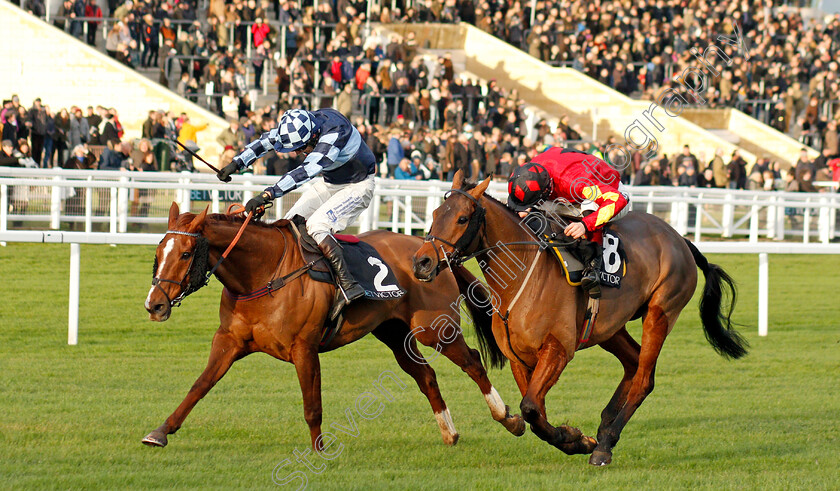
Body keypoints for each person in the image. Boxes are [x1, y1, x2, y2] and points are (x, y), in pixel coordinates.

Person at [216, 108, 377, 318]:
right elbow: (265, 141)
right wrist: (236, 163)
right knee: (288, 225)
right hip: (330, 183)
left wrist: (267, 195)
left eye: (301, 148)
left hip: (358, 185)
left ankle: (348, 286)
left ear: (313, 136)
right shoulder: (301, 125)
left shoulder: (335, 133)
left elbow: (305, 171)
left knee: (317, 225)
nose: (298, 152)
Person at [506, 146, 630, 298]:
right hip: (569, 187)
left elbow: (618, 199)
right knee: (530, 212)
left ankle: (592, 266)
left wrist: (585, 225)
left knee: (588, 205)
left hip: (613, 192)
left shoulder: (577, 184)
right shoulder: (531, 170)